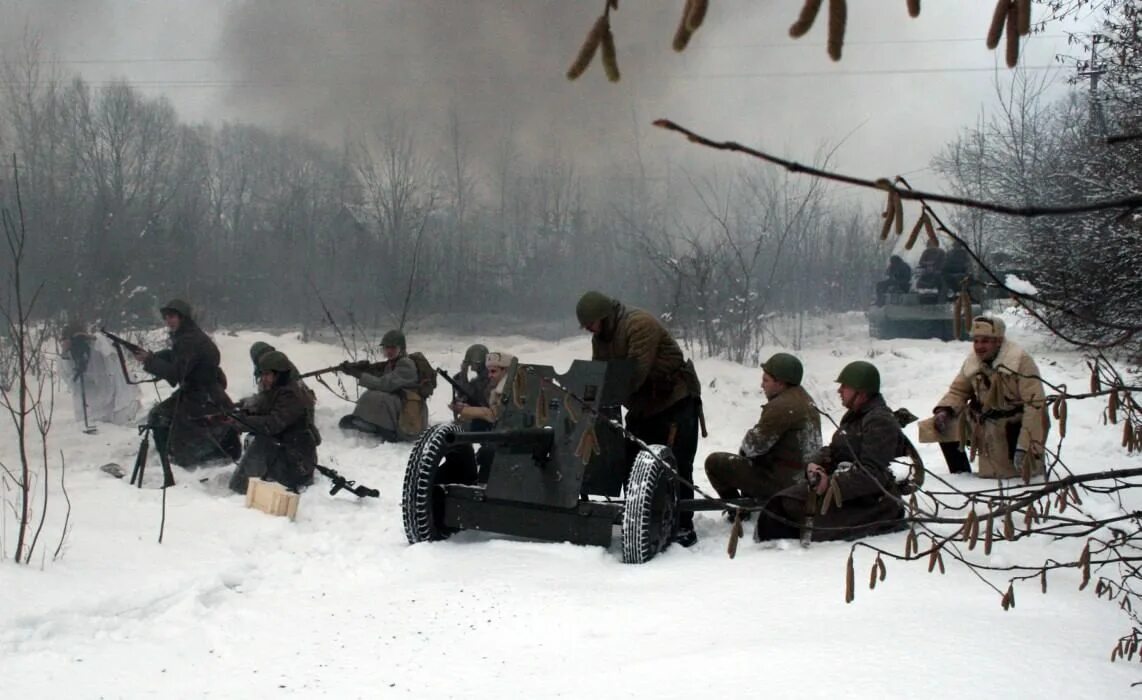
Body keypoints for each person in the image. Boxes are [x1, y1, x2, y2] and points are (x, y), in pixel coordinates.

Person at [576, 290, 702, 547]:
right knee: (632, 463)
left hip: (674, 402)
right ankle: (640, 518)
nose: (589, 329)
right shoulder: (601, 336)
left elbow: (635, 373)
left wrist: (608, 393)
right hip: (642, 406)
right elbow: (600, 372)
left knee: (675, 465)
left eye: (591, 323)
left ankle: (682, 525)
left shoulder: (639, 324)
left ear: (604, 316)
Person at [755, 361, 908, 544]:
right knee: (780, 507)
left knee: (784, 509)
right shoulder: (854, 416)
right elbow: (836, 450)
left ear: (861, 392)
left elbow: (873, 474)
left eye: (845, 386)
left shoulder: (880, 421)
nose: (839, 391)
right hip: (849, 493)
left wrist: (832, 484)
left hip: (871, 502)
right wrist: (817, 463)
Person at [704, 353, 822, 521]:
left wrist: (750, 439)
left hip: (785, 483)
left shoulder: (781, 406)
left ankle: (738, 510)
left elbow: (752, 446)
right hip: (802, 478)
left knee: (715, 463)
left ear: (780, 383)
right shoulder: (804, 398)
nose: (762, 385)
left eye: (766, 380)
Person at [927, 316, 1049, 478]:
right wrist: (944, 410)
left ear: (998, 341)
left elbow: (1036, 406)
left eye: (985, 341)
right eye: (976, 341)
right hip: (983, 423)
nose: (979, 347)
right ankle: (961, 476)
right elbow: (958, 391)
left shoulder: (1020, 361)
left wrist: (1025, 445)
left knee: (1012, 477)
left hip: (1012, 426)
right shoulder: (973, 361)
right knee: (938, 426)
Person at [132, 299, 241, 467]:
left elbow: (177, 374)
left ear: (183, 318)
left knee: (160, 417)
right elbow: (182, 359)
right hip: (202, 392)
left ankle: (170, 465)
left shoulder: (188, 339)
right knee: (163, 416)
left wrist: (150, 360)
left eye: (173, 316)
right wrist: (159, 357)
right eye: (166, 317)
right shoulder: (188, 336)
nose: (168, 320)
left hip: (202, 395)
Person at [226, 350, 319, 494]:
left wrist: (241, 421)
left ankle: (241, 490)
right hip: (288, 454)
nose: (263, 379)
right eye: (262, 374)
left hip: (296, 462)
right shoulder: (279, 390)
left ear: (279, 374)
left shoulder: (291, 395)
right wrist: (237, 410)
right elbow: (260, 405)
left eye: (267, 375)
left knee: (263, 441)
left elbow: (272, 424)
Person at [338, 329, 427, 441]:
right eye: (386, 348)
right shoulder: (393, 363)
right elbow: (380, 376)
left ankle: (386, 429)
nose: (389, 351)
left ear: (401, 349)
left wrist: (359, 375)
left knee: (381, 397)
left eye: (393, 348)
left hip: (409, 412)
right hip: (402, 406)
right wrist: (360, 369)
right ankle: (370, 422)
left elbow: (385, 384)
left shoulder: (406, 364)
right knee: (373, 394)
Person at [59, 321, 140, 426]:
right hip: (91, 401)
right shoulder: (68, 354)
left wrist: (91, 338)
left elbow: (111, 353)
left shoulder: (98, 343)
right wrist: (65, 352)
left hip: (113, 394)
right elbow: (69, 379)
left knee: (120, 418)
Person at [451, 351, 516, 482]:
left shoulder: (512, 389)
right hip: (500, 432)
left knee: (488, 453)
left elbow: (494, 415)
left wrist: (466, 410)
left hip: (513, 436)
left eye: (493, 371)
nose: (490, 375)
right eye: (489, 371)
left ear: (506, 371)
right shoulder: (497, 389)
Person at [450, 343, 493, 431]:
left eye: (471, 363)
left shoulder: (488, 379)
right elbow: (466, 394)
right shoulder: (478, 380)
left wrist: (463, 373)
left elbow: (472, 395)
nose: (471, 366)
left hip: (487, 420)